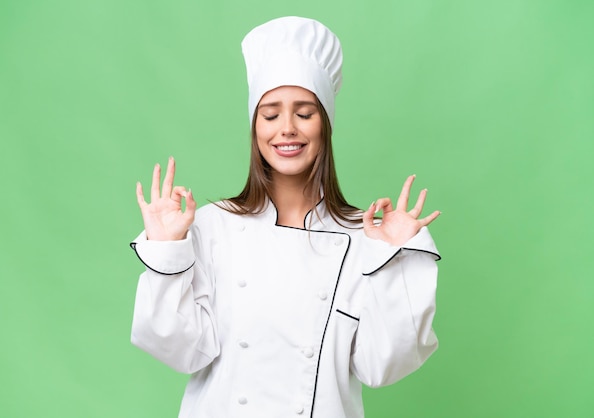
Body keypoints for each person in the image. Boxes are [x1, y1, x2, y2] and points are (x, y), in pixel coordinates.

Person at [130, 16, 441, 418]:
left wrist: (396, 260)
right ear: (255, 126)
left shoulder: (364, 237)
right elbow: (181, 351)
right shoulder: (211, 226)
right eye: (271, 114)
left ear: (325, 125)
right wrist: (166, 252)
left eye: (305, 113)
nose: (287, 129)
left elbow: (381, 365)